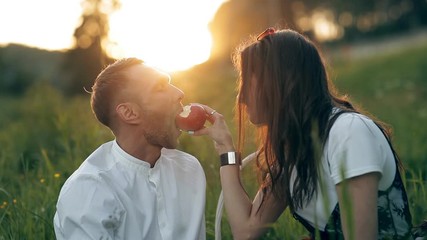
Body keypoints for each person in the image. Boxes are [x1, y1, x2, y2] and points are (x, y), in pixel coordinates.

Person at [195, 28, 413, 239]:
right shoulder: (293, 148)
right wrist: (226, 149)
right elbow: (246, 230)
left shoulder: (348, 133)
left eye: (248, 84)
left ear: (280, 82)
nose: (241, 98)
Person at [53, 58, 206, 239]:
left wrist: (226, 150)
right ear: (129, 113)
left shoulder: (189, 168)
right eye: (160, 88)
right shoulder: (90, 191)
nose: (179, 93)